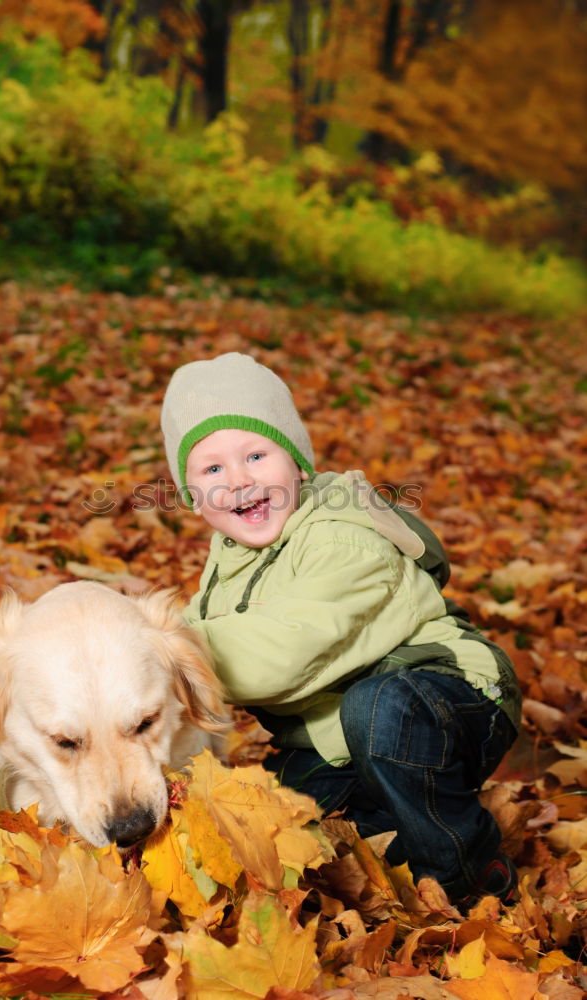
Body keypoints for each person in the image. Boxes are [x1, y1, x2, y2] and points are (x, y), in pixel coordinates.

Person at [160, 351, 521, 911]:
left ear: (299, 463)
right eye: (211, 470)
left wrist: (160, 652)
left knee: (382, 708)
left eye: (256, 454)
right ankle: (395, 839)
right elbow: (191, 640)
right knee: (282, 819)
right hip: (341, 740)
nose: (239, 480)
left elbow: (276, 653)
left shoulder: (343, 538)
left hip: (452, 697)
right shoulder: (228, 562)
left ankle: (468, 873)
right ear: (192, 496)